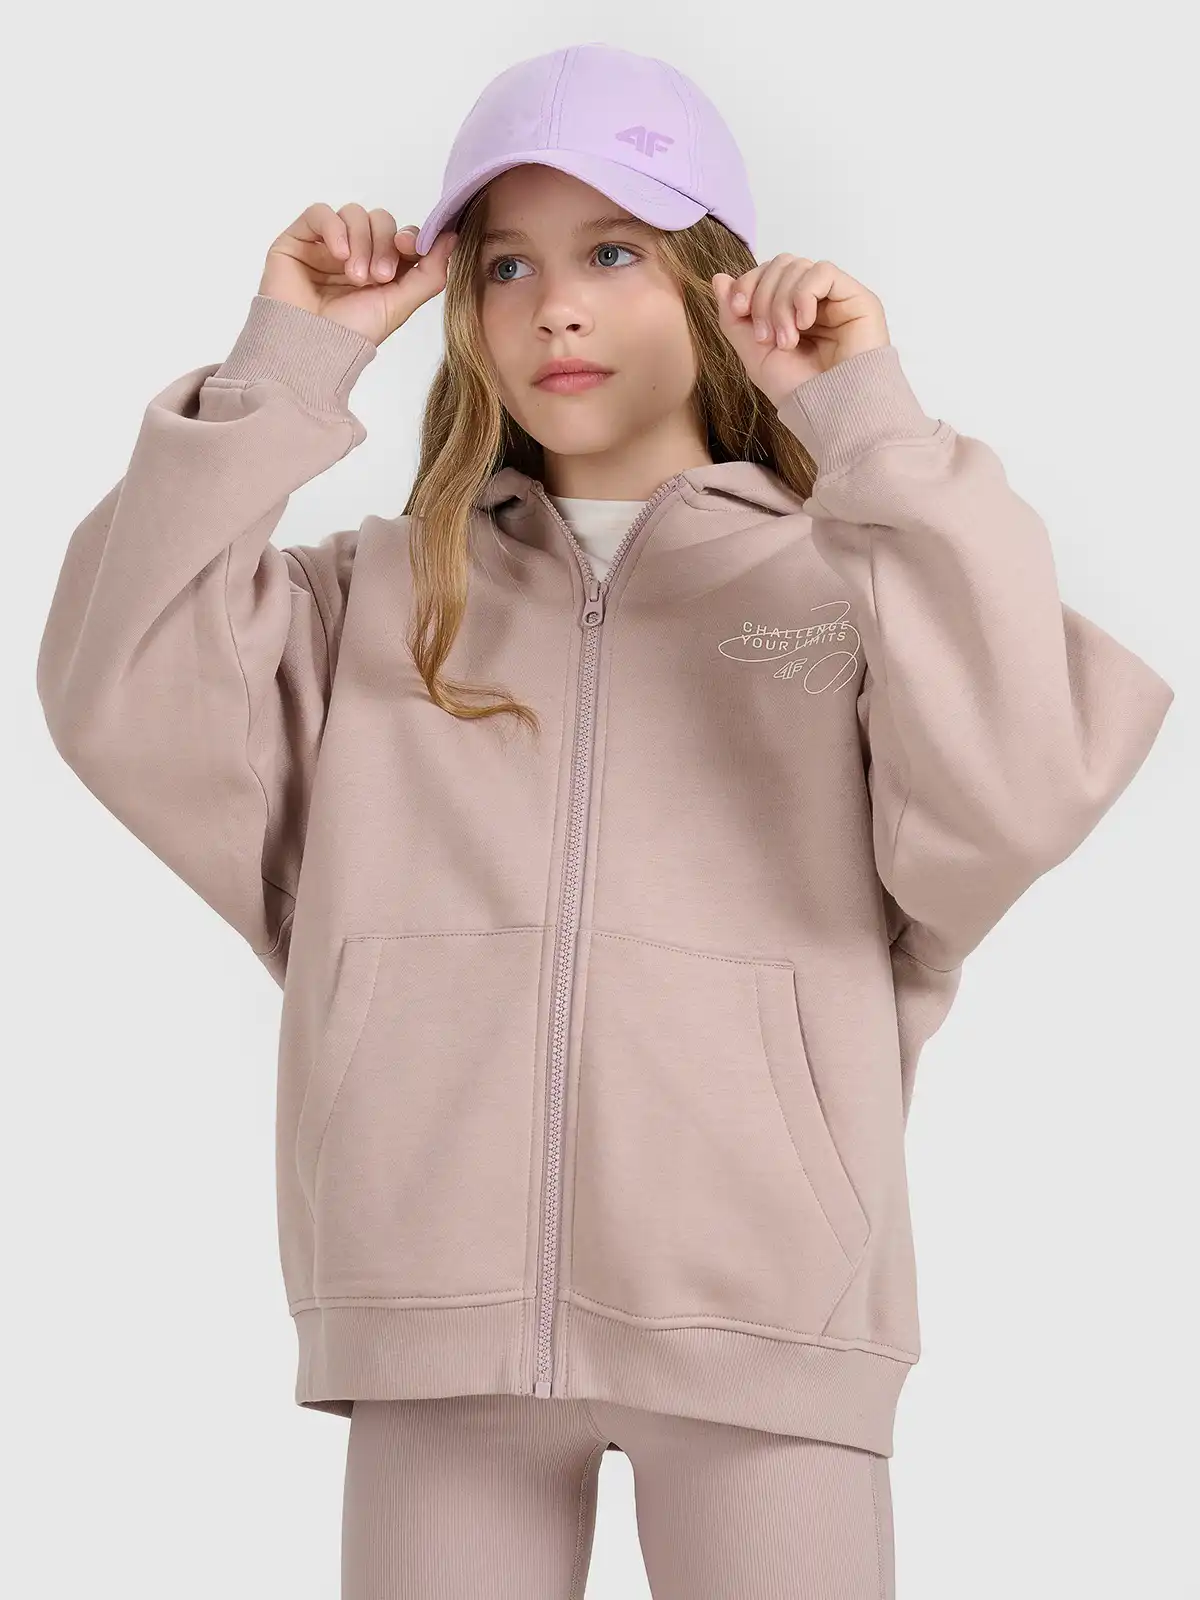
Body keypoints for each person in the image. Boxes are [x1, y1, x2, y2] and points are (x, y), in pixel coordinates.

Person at [36, 41, 1173, 1600]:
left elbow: (1018, 781)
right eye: (507, 264)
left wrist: (870, 429)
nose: (553, 306)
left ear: (712, 283)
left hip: (769, 1324)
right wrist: (285, 368)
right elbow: (119, 689)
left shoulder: (852, 589)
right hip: (434, 1325)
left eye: (615, 251)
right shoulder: (376, 600)